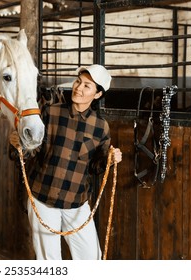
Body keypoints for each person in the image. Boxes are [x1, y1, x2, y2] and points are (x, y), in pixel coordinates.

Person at [12, 64, 122, 260]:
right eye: (78, 81)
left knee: (91, 258)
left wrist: (109, 160)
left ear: (97, 95)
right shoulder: (51, 112)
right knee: (49, 261)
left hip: (76, 202)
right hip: (42, 197)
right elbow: (33, 151)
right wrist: (19, 145)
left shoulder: (100, 127)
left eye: (87, 86)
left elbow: (96, 167)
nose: (79, 88)